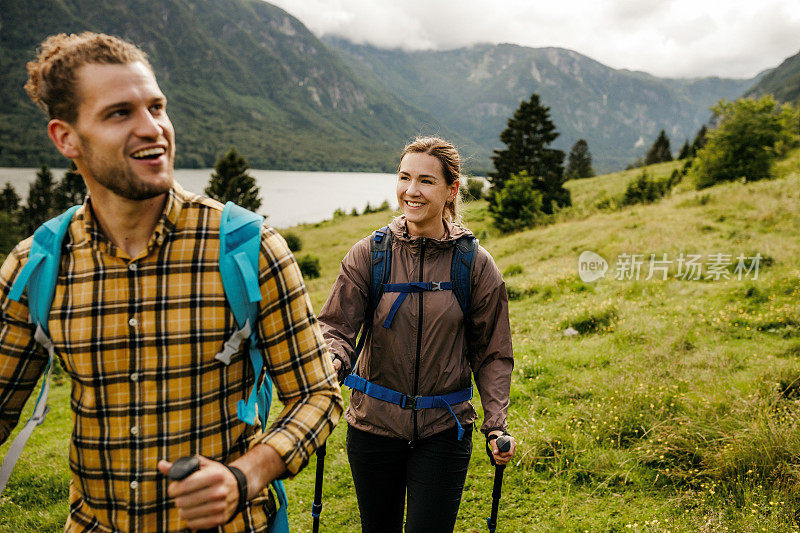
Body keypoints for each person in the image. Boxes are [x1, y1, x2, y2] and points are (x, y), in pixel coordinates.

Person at [0, 32, 342, 532]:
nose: (152, 128)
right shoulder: (37, 266)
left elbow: (319, 394)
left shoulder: (249, 247)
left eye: (156, 107)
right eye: (120, 113)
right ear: (65, 137)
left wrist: (243, 476)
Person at [317, 136, 516, 532]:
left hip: (444, 430)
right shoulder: (369, 255)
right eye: (404, 177)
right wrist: (334, 356)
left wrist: (496, 424)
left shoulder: (474, 264)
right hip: (373, 427)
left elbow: (493, 352)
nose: (411, 191)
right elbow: (335, 326)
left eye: (426, 181)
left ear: (451, 190)